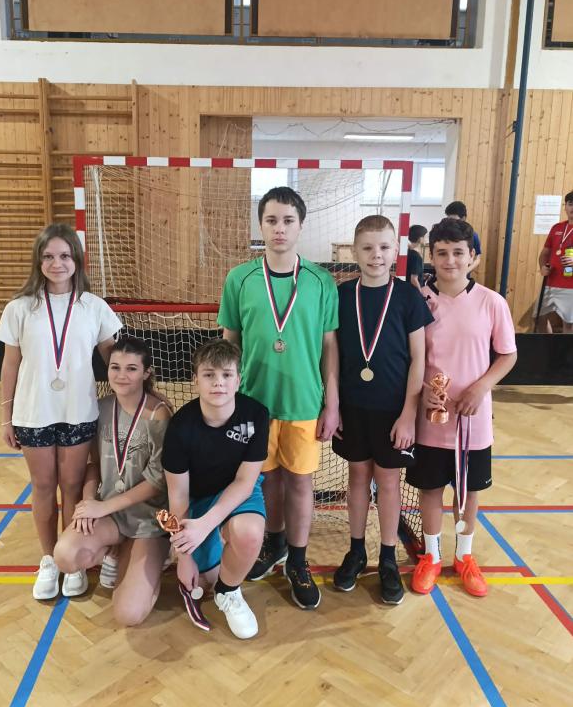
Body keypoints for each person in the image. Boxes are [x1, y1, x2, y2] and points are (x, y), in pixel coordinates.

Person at [218, 186, 339, 610]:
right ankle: (274, 544)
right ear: (261, 225)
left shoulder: (321, 281)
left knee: (301, 481)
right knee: (266, 479)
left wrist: (332, 403)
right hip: (254, 403)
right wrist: (224, 402)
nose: (279, 228)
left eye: (288, 220)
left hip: (304, 401)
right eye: (271, 220)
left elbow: (329, 347)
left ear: (301, 226)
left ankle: (299, 561)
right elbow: (228, 343)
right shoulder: (239, 279)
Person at [0, 224, 120, 601]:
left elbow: (114, 359)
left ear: (76, 260)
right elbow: (10, 364)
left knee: (71, 487)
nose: (57, 263)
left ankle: (72, 561)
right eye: (48, 256)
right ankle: (49, 559)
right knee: (43, 486)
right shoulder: (20, 308)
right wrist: (6, 417)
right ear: (38, 261)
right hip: (33, 413)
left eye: (65, 255)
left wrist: (142, 396)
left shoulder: (94, 306)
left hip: (78, 412)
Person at [406, 217, 517, 597]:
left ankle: (465, 556)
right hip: (432, 419)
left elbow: (507, 355)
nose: (450, 260)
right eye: (442, 253)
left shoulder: (492, 302)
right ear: (431, 256)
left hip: (474, 420)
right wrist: (422, 391)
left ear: (472, 256)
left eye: (458, 252)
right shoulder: (419, 301)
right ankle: (432, 556)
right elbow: (409, 357)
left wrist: (482, 387)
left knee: (469, 492)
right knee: (430, 489)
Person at [332, 216, 432, 604]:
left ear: (396, 251)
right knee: (357, 477)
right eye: (368, 248)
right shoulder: (342, 295)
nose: (376, 255)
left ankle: (388, 557)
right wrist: (333, 404)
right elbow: (332, 354)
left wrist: (409, 414)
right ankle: (357, 551)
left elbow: (419, 358)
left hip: (394, 411)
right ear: (354, 251)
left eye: (385, 247)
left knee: (388, 482)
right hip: (353, 408)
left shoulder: (408, 297)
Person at [53, 337, 171, 625]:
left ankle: (154, 557)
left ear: (146, 373)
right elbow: (94, 465)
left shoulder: (159, 414)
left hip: (148, 519)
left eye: (131, 369)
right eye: (115, 367)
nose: (121, 375)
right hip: (110, 515)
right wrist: (89, 502)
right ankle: (114, 550)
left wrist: (103, 507)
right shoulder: (100, 408)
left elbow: (158, 481)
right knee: (65, 556)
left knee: (129, 615)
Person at [162, 339, 269, 639]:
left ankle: (229, 592)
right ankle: (214, 562)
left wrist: (205, 525)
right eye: (209, 374)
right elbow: (178, 494)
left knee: (249, 534)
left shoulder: (256, 415)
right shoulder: (180, 427)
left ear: (238, 380)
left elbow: (245, 482)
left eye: (226, 374)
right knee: (201, 580)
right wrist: (184, 555)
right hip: (195, 499)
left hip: (236, 492)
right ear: (195, 380)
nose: (218, 382)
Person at [537, 190, 573, 334]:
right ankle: (549, 345)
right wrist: (542, 267)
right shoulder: (557, 228)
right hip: (550, 284)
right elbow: (544, 254)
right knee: (538, 318)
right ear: (565, 207)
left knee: (568, 325)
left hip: (570, 286)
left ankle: (565, 349)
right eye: (570, 204)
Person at [444, 201, 482, 275]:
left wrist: (465, 272)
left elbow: (477, 258)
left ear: (463, 218)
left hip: (463, 276)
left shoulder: (472, 235)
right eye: (449, 219)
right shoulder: (443, 234)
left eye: (454, 220)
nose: (452, 223)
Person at [406, 225, 428, 292]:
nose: (426, 239)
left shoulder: (408, 252)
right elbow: (413, 279)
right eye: (425, 237)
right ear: (420, 239)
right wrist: (420, 293)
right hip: (413, 292)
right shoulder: (416, 256)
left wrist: (421, 274)